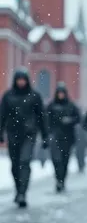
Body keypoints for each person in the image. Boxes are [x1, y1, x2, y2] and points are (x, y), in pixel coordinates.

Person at [0, 68, 49, 208]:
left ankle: (22, 193)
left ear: (27, 80)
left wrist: (45, 135)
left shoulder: (34, 96)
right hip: (13, 134)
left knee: (24, 161)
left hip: (29, 134)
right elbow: (2, 116)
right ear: (15, 80)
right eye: (18, 79)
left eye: (23, 79)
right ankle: (18, 189)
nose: (21, 82)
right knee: (15, 165)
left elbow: (42, 117)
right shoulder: (8, 96)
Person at [46, 82, 81, 193]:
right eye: (59, 93)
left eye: (62, 93)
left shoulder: (71, 106)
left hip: (67, 137)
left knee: (65, 160)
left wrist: (69, 120)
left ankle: (62, 180)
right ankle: (58, 179)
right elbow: (46, 120)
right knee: (56, 160)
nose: (61, 95)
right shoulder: (51, 106)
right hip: (55, 136)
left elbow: (78, 118)